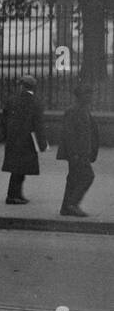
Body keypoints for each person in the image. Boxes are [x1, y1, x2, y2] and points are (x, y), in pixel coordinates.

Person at [2, 74, 47, 204]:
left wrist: (6, 135)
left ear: (21, 86)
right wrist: (42, 142)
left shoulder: (12, 99)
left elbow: (3, 120)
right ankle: (13, 196)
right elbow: (39, 125)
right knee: (21, 170)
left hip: (13, 139)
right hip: (27, 141)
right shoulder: (35, 102)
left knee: (16, 169)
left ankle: (16, 194)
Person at [57, 85, 99, 217]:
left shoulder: (83, 110)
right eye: (87, 94)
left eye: (90, 94)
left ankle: (66, 207)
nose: (90, 97)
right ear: (80, 96)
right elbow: (69, 135)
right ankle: (73, 204)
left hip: (82, 153)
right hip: (77, 154)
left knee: (73, 179)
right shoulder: (74, 111)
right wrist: (74, 153)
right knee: (88, 176)